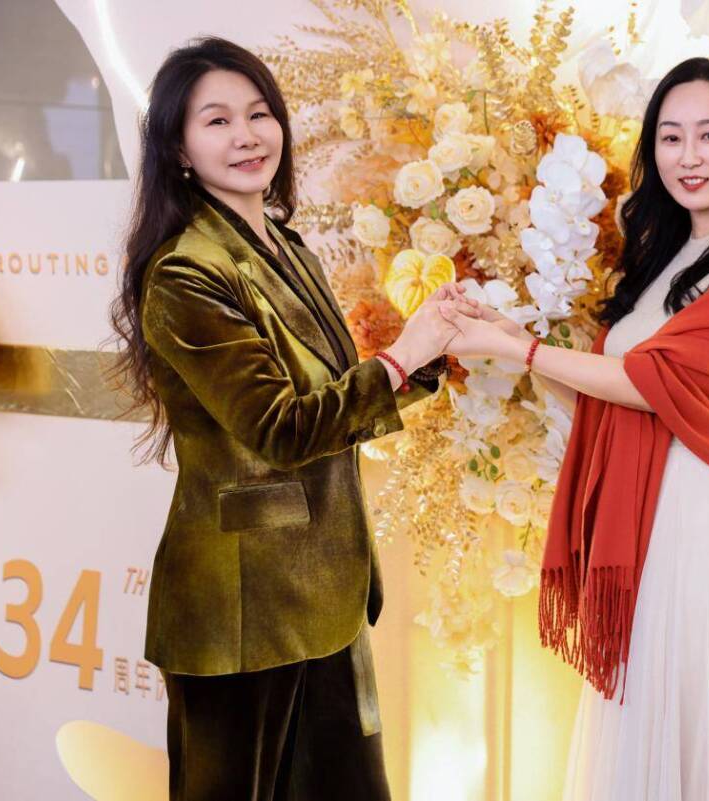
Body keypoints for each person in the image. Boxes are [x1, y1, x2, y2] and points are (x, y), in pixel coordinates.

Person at [107, 36, 478, 801]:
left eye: (259, 113)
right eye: (217, 121)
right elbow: (281, 428)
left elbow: (332, 396)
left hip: (324, 593)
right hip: (241, 610)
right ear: (178, 149)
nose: (247, 135)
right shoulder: (185, 272)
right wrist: (402, 356)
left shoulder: (289, 246)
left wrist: (428, 351)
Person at [441, 57, 709, 800]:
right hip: (642, 514)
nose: (688, 156)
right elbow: (607, 394)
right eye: (670, 137)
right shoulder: (658, 258)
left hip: (700, 513)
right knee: (644, 708)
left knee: (692, 709)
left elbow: (649, 384)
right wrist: (511, 335)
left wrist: (520, 352)